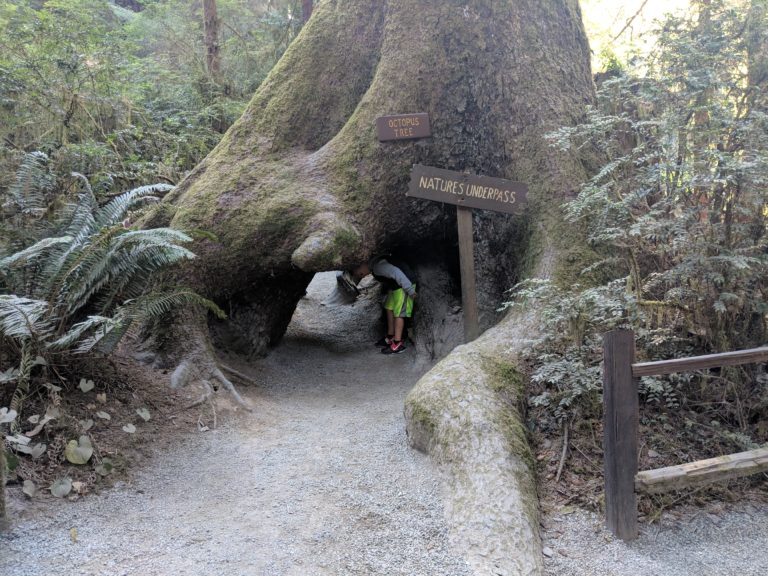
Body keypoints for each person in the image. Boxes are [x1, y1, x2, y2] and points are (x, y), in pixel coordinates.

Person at [351, 256, 417, 354]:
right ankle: (390, 336)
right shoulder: (374, 266)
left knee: (399, 313)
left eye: (359, 273)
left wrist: (410, 290)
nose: (361, 275)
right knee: (388, 307)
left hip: (405, 284)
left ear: (362, 264)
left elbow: (396, 272)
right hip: (396, 286)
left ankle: (397, 343)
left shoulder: (378, 266)